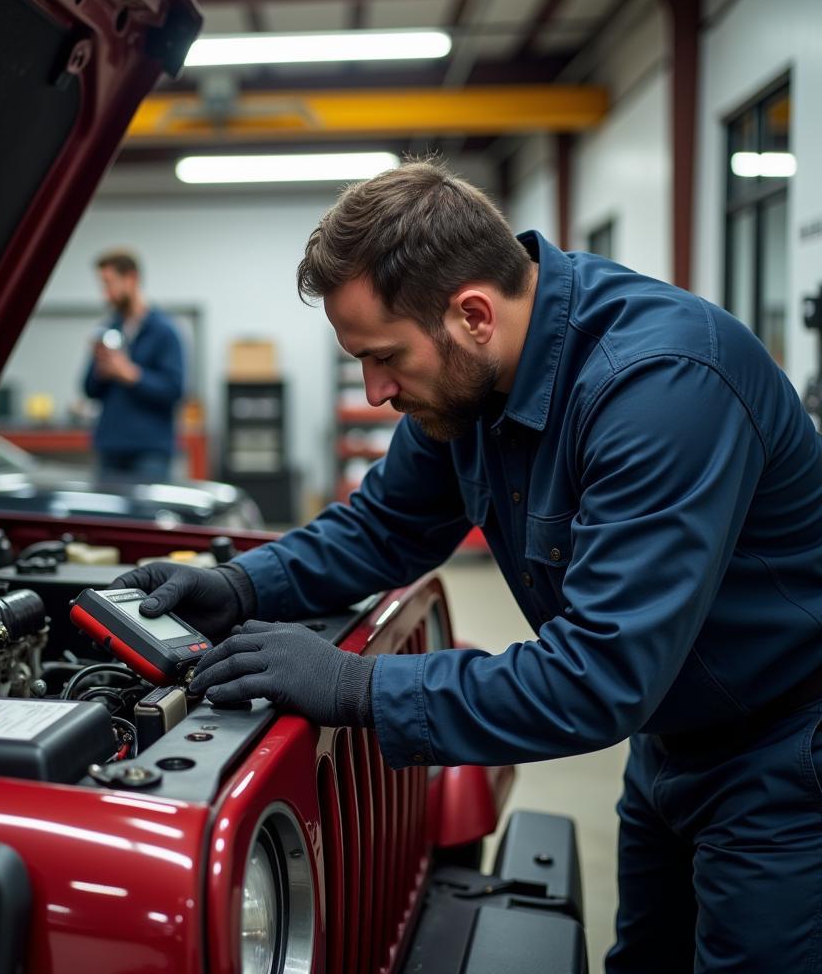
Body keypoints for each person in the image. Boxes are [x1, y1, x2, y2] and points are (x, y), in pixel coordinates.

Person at [111, 160, 822, 971]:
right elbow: (384, 526)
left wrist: (356, 686)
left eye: (384, 357)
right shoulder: (470, 383)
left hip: (787, 752)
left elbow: (599, 675)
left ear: (473, 314)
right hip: (675, 738)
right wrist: (238, 586)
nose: (377, 391)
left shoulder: (661, 390)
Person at [82, 250, 184, 483]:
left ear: (131, 279)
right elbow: (89, 389)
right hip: (110, 447)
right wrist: (101, 368)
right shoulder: (107, 331)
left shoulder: (164, 332)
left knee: (145, 519)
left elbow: (174, 390)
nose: (105, 294)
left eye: (109, 284)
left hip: (150, 451)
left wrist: (129, 374)